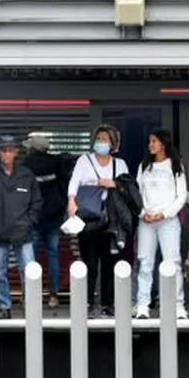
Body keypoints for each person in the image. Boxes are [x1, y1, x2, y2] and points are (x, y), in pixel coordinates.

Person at [68, 124, 129, 318]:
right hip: (89, 217)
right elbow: (74, 183)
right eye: (99, 139)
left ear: (113, 144)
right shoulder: (84, 160)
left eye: (105, 139)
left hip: (111, 219)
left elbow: (127, 187)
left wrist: (112, 183)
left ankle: (107, 304)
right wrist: (71, 200)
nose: (101, 142)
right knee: (89, 262)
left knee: (109, 263)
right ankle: (86, 302)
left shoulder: (119, 164)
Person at [0, 135, 42, 318]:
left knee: (30, 272)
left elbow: (36, 202)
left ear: (16, 152)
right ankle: (4, 306)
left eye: (11, 150)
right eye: (3, 150)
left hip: (24, 231)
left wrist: (29, 222)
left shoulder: (26, 175)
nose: (7, 153)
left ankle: (31, 307)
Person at [134, 129, 188, 319]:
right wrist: (143, 213)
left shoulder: (175, 165)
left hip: (168, 221)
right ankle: (142, 305)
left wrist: (164, 214)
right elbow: (137, 193)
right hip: (146, 221)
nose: (151, 145)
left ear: (163, 143)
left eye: (154, 141)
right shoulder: (144, 165)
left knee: (173, 262)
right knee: (145, 262)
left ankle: (177, 305)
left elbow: (181, 196)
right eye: (150, 141)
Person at [23, 132, 70, 308]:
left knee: (31, 257)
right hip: (54, 216)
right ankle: (54, 294)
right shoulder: (57, 163)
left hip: (34, 216)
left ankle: (32, 295)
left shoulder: (27, 164)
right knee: (53, 255)